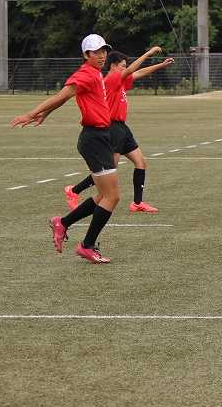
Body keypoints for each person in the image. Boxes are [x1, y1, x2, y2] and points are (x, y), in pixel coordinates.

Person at [11, 34, 122, 264]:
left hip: (100, 137)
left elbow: (65, 99)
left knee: (104, 196)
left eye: (104, 51)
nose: (102, 55)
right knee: (112, 197)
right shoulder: (85, 74)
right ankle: (87, 246)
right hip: (94, 139)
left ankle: (62, 223)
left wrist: (45, 113)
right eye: (96, 52)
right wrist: (32, 113)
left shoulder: (95, 73)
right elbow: (62, 95)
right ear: (86, 55)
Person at [64, 46, 174, 213]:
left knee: (141, 162)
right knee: (108, 170)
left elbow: (138, 73)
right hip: (112, 128)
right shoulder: (110, 79)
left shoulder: (120, 79)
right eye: (122, 66)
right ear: (113, 66)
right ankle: (74, 191)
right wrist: (148, 53)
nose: (125, 69)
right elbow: (132, 70)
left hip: (122, 128)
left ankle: (137, 203)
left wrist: (160, 65)